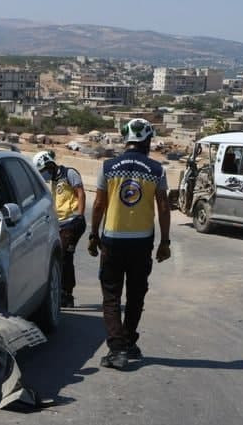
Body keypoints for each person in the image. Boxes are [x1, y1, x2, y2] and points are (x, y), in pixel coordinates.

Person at [87, 118, 171, 369]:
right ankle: (128, 342)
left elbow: (100, 204)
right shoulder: (157, 170)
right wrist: (165, 241)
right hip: (142, 243)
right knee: (136, 295)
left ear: (126, 140)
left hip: (112, 241)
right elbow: (164, 207)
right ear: (147, 141)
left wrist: (93, 235)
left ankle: (117, 349)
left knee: (111, 296)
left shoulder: (108, 167)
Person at [34, 150, 86, 308]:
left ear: (49, 165)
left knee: (65, 257)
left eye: (42, 171)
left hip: (73, 222)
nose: (43, 175)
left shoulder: (69, 173)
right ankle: (64, 292)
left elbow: (81, 193)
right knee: (62, 257)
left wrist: (80, 215)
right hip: (62, 224)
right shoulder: (55, 179)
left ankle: (67, 294)